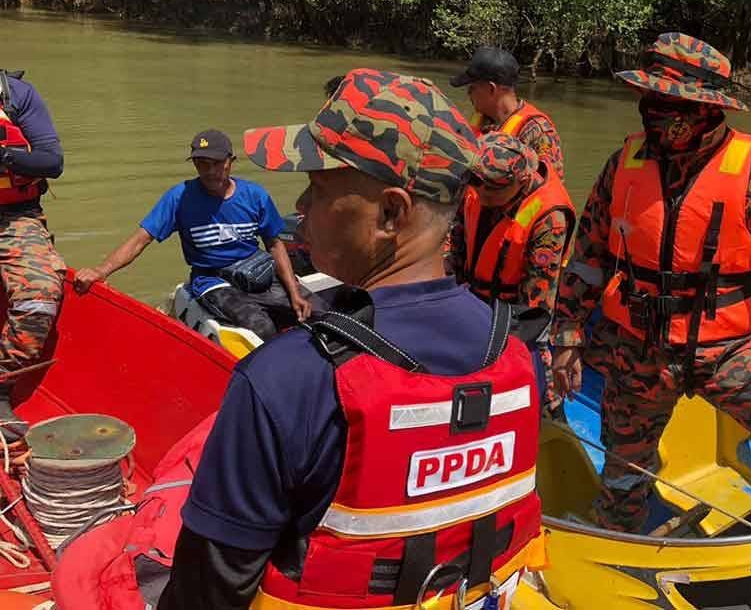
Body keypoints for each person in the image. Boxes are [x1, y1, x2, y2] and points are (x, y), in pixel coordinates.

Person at [157, 68, 548, 610]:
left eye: (317, 188)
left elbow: (206, 594)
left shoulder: (285, 378)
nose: (299, 205)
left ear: (391, 213)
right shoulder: (520, 356)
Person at [550, 33, 751, 531]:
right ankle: (619, 527)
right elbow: (587, 257)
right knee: (623, 462)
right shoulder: (624, 164)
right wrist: (566, 335)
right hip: (637, 346)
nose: (652, 112)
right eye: (648, 99)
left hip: (731, 348)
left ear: (706, 109)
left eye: (668, 103)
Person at [74, 129, 323, 340]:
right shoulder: (179, 197)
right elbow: (141, 239)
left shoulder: (254, 195)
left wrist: (293, 291)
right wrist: (100, 271)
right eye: (202, 164)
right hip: (212, 280)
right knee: (261, 326)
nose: (210, 171)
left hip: (254, 271)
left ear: (231, 161)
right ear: (194, 164)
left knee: (320, 312)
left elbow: (275, 244)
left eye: (217, 163)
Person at [446, 132, 575, 414]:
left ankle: (550, 418)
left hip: (515, 315)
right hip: (470, 298)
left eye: (491, 190)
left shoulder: (549, 219)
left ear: (522, 181)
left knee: (537, 384)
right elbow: (456, 242)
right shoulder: (480, 183)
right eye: (477, 185)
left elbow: (535, 307)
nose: (480, 194)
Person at [0, 70, 67, 440]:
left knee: (40, 295)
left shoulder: (17, 94)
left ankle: (1, 385)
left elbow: (51, 161)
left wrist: (6, 157)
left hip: (14, 217)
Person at [451, 46, 566, 179]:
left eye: (472, 88)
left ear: (491, 89)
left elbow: (550, 190)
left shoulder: (538, 132)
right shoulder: (483, 118)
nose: (468, 93)